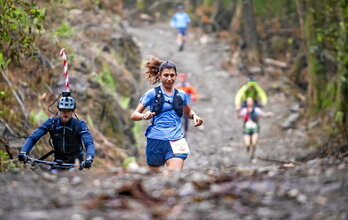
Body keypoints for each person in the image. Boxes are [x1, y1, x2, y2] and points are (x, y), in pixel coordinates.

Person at [130, 58, 204, 171]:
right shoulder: (151, 94)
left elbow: (188, 111)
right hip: (155, 140)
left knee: (174, 176)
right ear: (159, 75)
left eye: (172, 75)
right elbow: (134, 115)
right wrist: (144, 115)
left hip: (177, 140)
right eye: (166, 75)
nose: (169, 79)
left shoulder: (181, 95)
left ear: (176, 75)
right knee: (156, 180)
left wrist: (195, 116)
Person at [18, 93, 96, 169]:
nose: (65, 113)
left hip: (76, 163)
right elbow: (33, 138)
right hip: (58, 162)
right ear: (59, 110)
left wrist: (89, 158)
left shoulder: (79, 124)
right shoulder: (51, 123)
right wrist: (23, 152)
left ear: (73, 111)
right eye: (63, 110)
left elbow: (88, 143)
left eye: (68, 110)